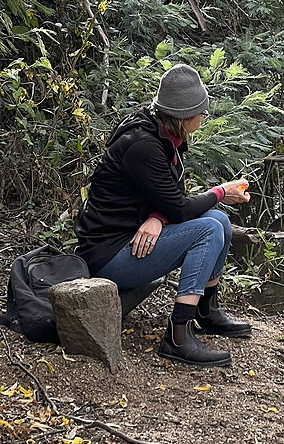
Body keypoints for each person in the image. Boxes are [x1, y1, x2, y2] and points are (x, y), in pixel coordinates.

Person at [74, 63, 252, 367]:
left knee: (220, 221)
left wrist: (158, 216)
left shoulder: (163, 133)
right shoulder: (143, 145)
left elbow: (170, 197)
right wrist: (221, 191)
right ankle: (178, 338)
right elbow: (181, 208)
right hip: (107, 255)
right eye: (201, 112)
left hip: (128, 239)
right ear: (184, 115)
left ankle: (207, 313)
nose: (203, 116)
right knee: (209, 229)